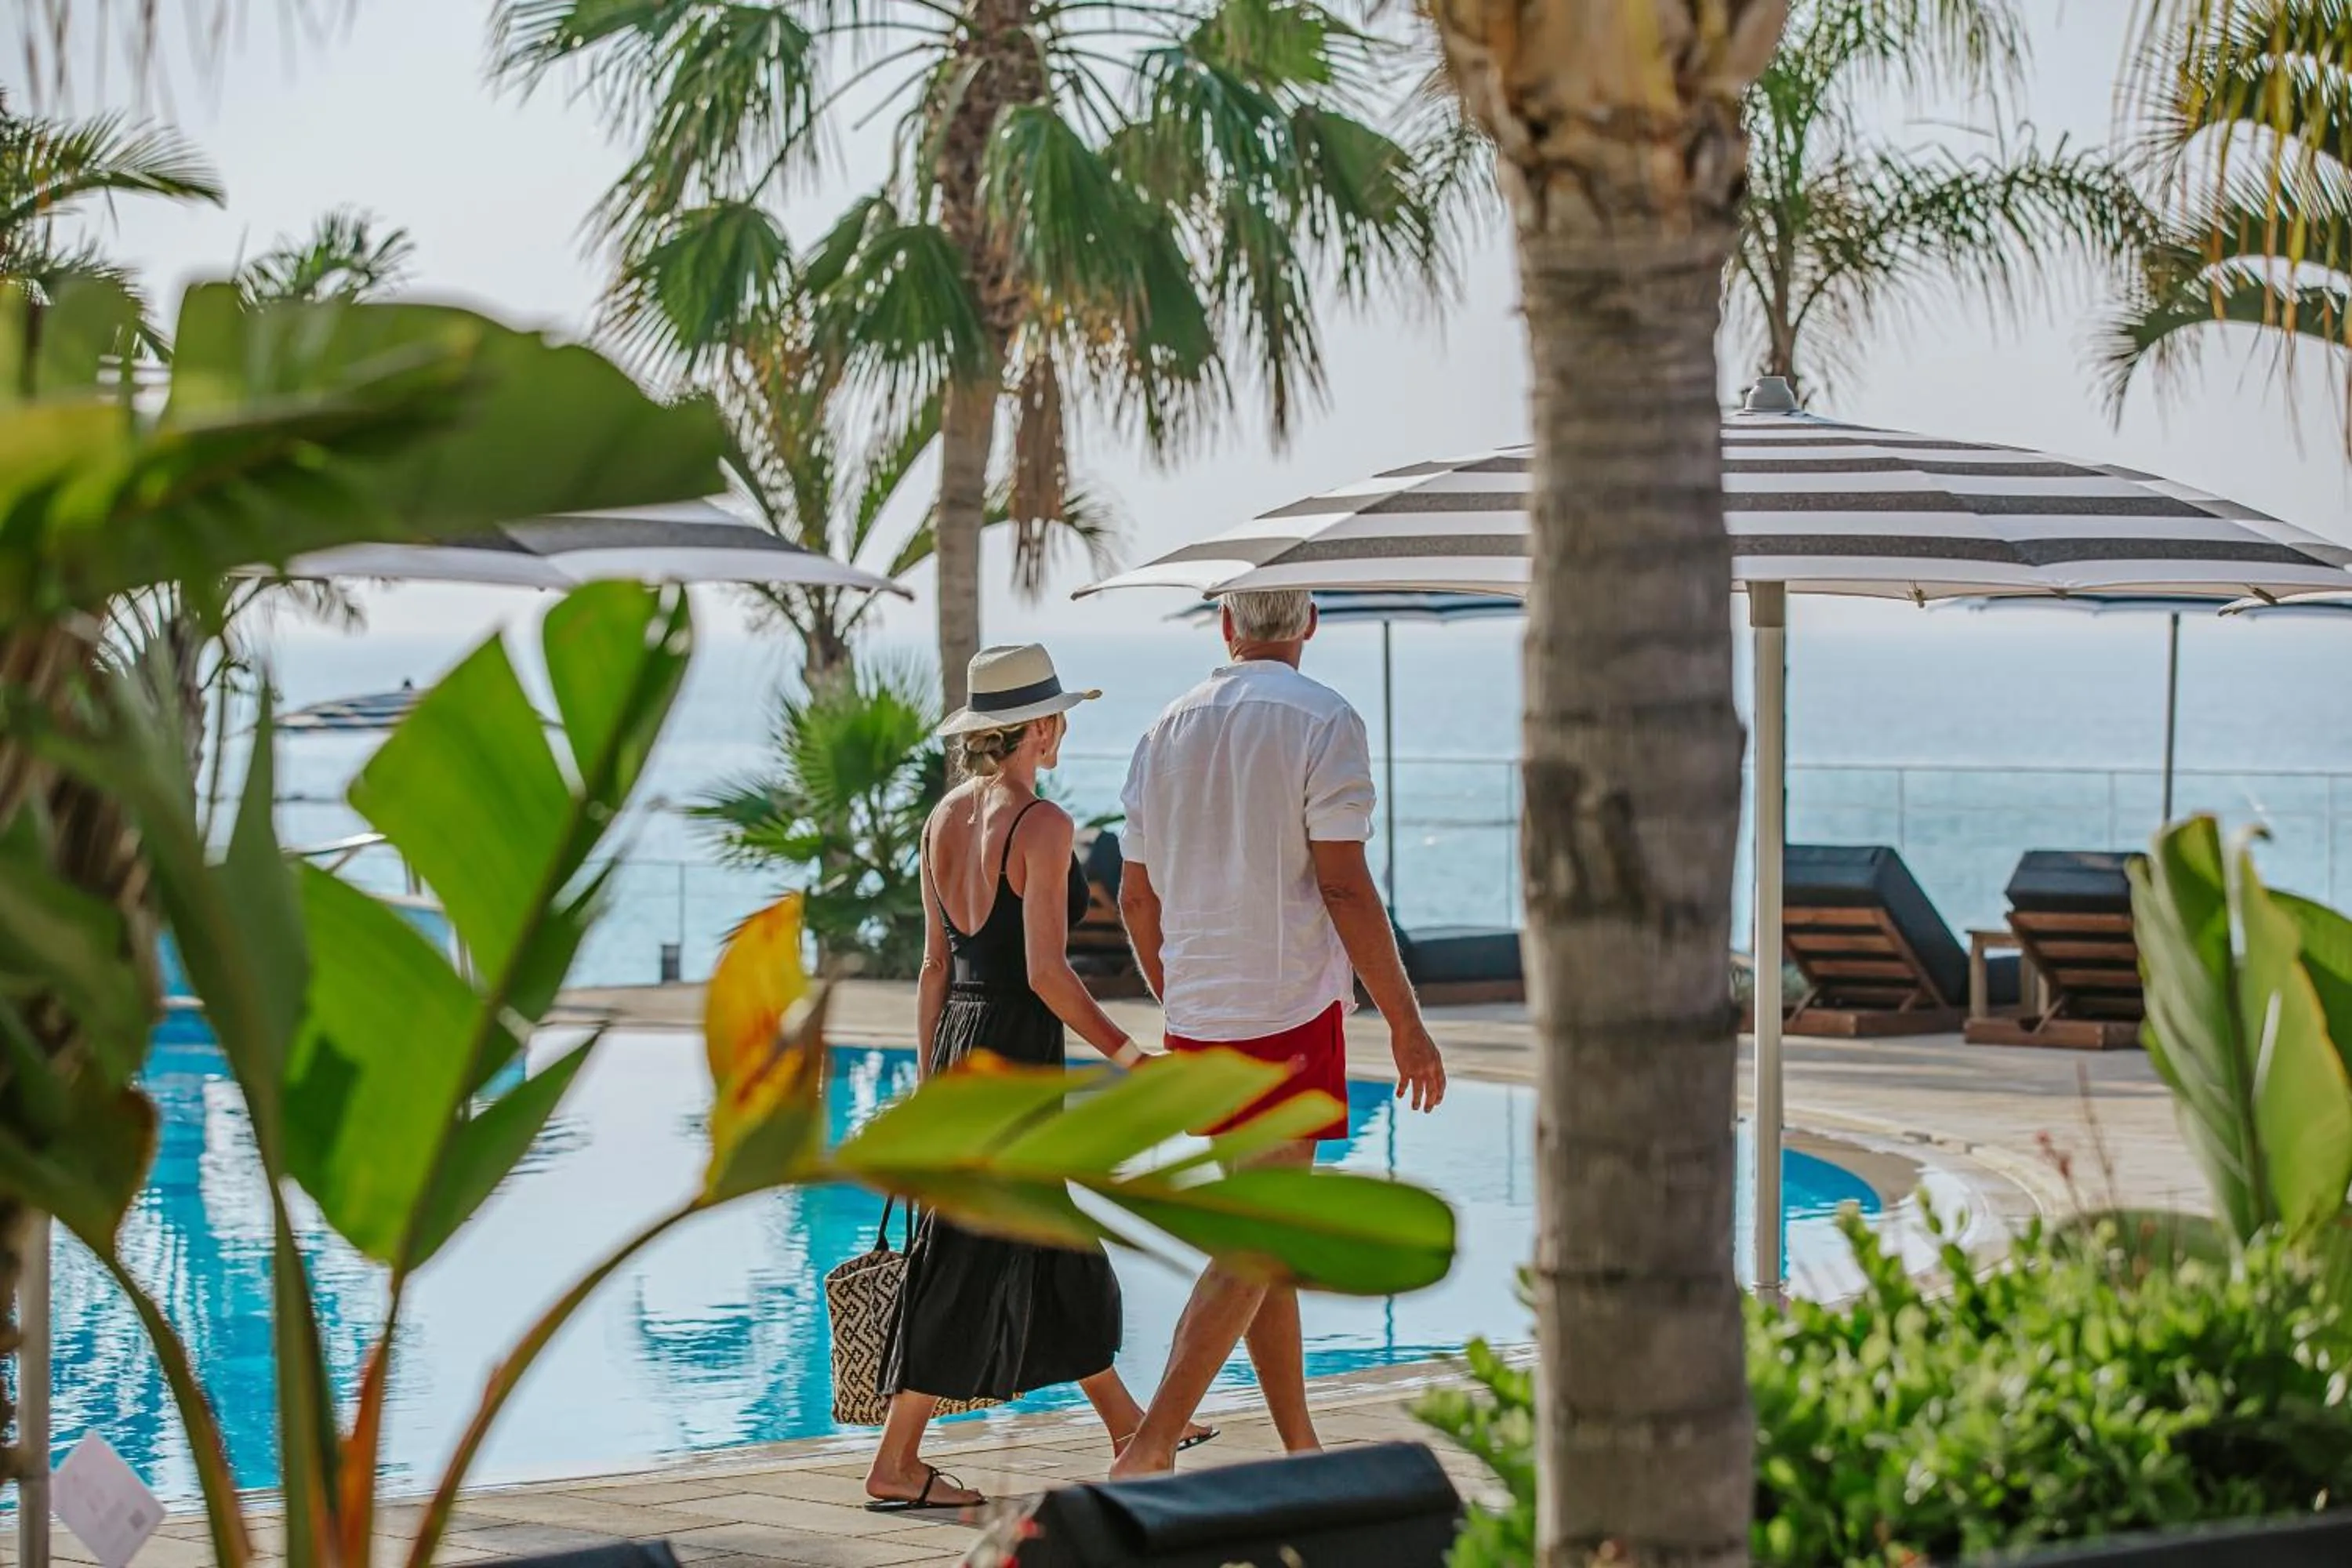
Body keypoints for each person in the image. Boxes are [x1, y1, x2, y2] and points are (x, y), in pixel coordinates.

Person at [1109, 588, 1448, 1479]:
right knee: (1260, 1243)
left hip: (1202, 1014)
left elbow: (1136, 896)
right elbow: (1343, 884)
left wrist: (1177, 993)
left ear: (1227, 626)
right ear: (1309, 624)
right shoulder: (1325, 718)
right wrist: (1407, 1022)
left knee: (1263, 1244)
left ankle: (1300, 1449)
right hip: (1288, 1008)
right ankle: (1149, 1446)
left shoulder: (1162, 730)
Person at [865, 643, 1206, 1512]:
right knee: (970, 1252)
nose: (1062, 731)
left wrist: (930, 1077)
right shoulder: (1043, 825)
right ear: (1040, 727)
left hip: (960, 1045)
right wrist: (1134, 1059)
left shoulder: (942, 819)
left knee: (1054, 1246)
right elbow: (1048, 974)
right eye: (1058, 719)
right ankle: (896, 1462)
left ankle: (1130, 1425)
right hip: (1015, 1054)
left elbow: (934, 967)